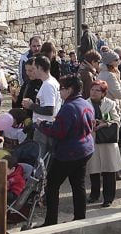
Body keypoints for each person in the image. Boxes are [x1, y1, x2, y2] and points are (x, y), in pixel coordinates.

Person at [38, 75, 95, 225]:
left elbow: (58, 132)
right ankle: (79, 218)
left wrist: (42, 125)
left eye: (61, 89)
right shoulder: (85, 103)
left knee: (52, 185)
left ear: (69, 90)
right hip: (86, 148)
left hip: (69, 153)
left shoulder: (68, 108)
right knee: (78, 184)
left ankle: (50, 221)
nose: (59, 92)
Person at [86, 79, 121, 206]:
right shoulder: (85, 104)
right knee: (93, 169)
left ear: (103, 93)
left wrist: (103, 124)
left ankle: (108, 197)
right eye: (92, 89)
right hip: (92, 140)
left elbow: (117, 121)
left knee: (109, 169)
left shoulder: (110, 103)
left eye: (98, 90)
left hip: (107, 141)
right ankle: (94, 194)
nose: (94, 92)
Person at [21, 55, 60, 152]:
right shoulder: (50, 82)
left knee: (40, 159)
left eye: (34, 68)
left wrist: (31, 105)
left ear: (40, 68)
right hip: (45, 126)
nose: (33, 71)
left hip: (44, 129)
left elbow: (49, 110)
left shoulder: (48, 85)